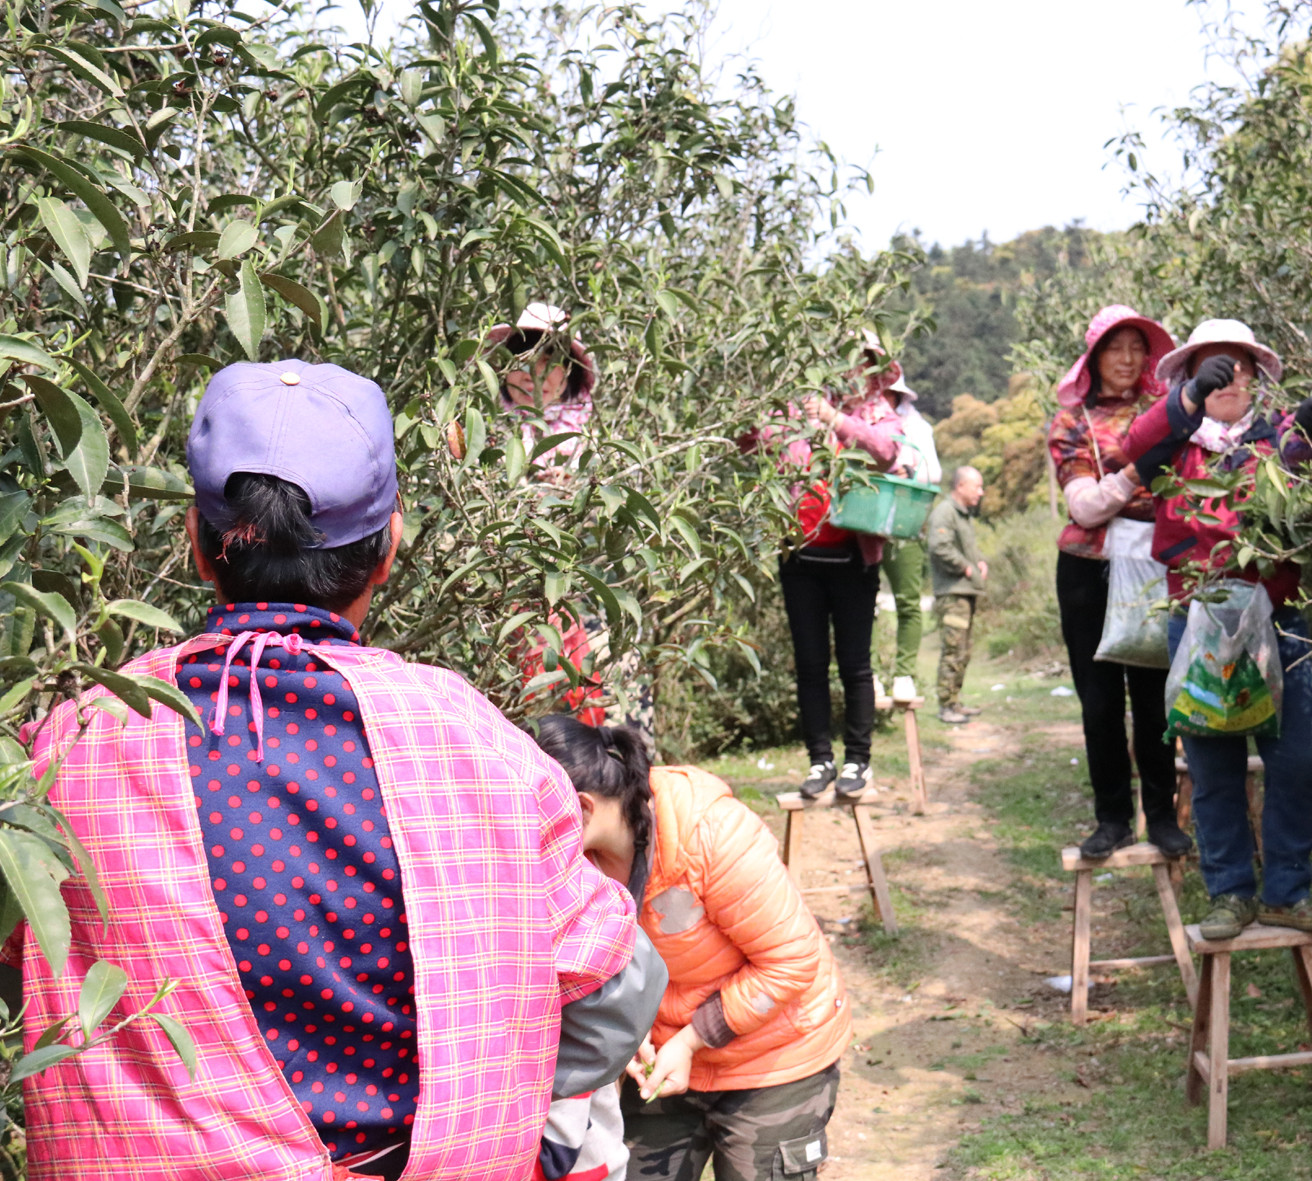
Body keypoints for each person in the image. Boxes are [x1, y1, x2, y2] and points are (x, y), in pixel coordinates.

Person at [8, 360, 661, 1180]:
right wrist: (493, 1085)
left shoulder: (73, 743)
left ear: (199, 547)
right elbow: (617, 984)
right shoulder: (474, 742)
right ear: (387, 550)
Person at [534, 720, 850, 1181]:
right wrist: (628, 1027)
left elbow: (790, 962)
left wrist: (689, 1040)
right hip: (664, 1063)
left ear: (579, 809)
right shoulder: (571, 863)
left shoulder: (712, 833)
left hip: (775, 1059)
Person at [1122, 319, 1312, 941]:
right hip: (1199, 620)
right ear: (1190, 378)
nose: (1227, 378)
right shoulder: (1175, 441)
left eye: (1237, 366)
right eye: (1211, 369)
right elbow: (1136, 445)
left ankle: (1287, 892)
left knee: (1296, 755)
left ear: (1256, 378)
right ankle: (1229, 892)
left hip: (1278, 616)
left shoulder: (1276, 440)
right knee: (1213, 761)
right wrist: (1185, 401)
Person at [1046, 305, 1190, 859]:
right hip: (1090, 567)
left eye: (1137, 347)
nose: (1128, 359)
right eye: (1115, 348)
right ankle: (1111, 818)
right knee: (1100, 700)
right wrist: (1138, 473)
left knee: (1155, 696)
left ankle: (1160, 815)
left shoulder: (1171, 410)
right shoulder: (1073, 421)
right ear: (1094, 358)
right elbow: (1082, 505)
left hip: (1156, 563)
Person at [491, 302, 655, 747]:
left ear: (567, 373)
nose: (532, 376)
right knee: (532, 716)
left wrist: (583, 492)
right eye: (521, 365)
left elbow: (627, 518)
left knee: (604, 709)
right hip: (516, 600)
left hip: (591, 596)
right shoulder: (490, 435)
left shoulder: (594, 437)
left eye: (547, 365)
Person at [757, 342, 904, 802]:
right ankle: (819, 759)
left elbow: (887, 450)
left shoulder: (876, 411)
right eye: (844, 357)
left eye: (864, 362)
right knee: (811, 665)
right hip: (800, 559)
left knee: (856, 665)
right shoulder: (796, 406)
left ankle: (858, 760)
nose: (853, 369)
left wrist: (834, 418)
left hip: (852, 562)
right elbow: (754, 437)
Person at [879, 374, 942, 704]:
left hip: (904, 519)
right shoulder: (857, 417)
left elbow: (934, 472)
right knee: (865, 602)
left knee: (907, 599)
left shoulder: (916, 427)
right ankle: (873, 672)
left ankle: (904, 674)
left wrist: (907, 468)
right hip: (865, 519)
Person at [926, 466, 988, 725]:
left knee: (964, 650)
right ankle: (945, 706)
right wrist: (965, 567)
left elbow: (960, 547)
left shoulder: (962, 515)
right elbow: (939, 547)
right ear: (960, 486)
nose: (981, 493)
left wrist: (979, 562)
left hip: (964, 592)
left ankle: (955, 701)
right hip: (952, 594)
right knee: (953, 649)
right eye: (977, 486)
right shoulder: (945, 512)